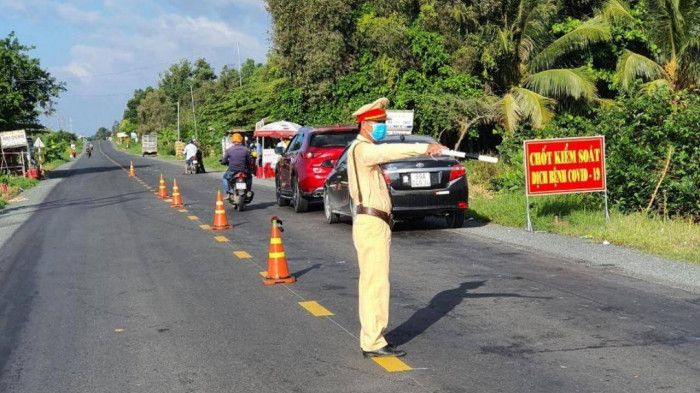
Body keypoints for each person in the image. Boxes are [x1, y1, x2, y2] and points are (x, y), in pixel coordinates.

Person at [347, 97, 444, 358]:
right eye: (378, 123)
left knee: (374, 282)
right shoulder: (362, 150)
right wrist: (424, 148)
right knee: (375, 283)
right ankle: (373, 341)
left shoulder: (363, 149)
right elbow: (388, 152)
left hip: (374, 222)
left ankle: (373, 337)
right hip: (371, 223)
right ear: (365, 125)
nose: (383, 128)